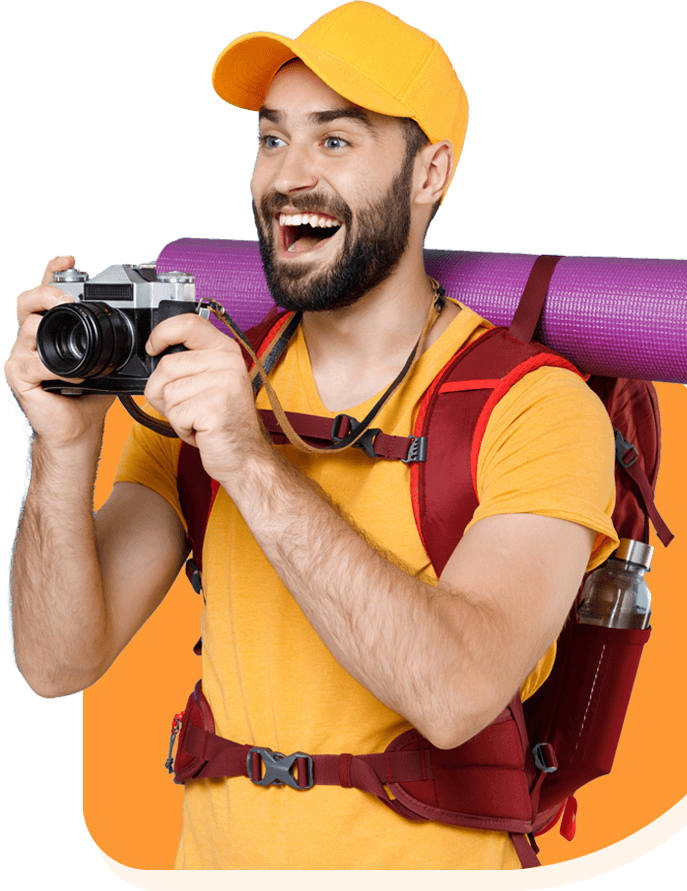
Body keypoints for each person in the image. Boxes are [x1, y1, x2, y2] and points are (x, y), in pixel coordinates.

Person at [6, 3, 618, 870]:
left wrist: (249, 460)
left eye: (335, 141)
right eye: (271, 139)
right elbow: (56, 662)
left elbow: (455, 695)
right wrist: (61, 450)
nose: (289, 176)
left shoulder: (538, 408)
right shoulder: (201, 381)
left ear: (429, 172)